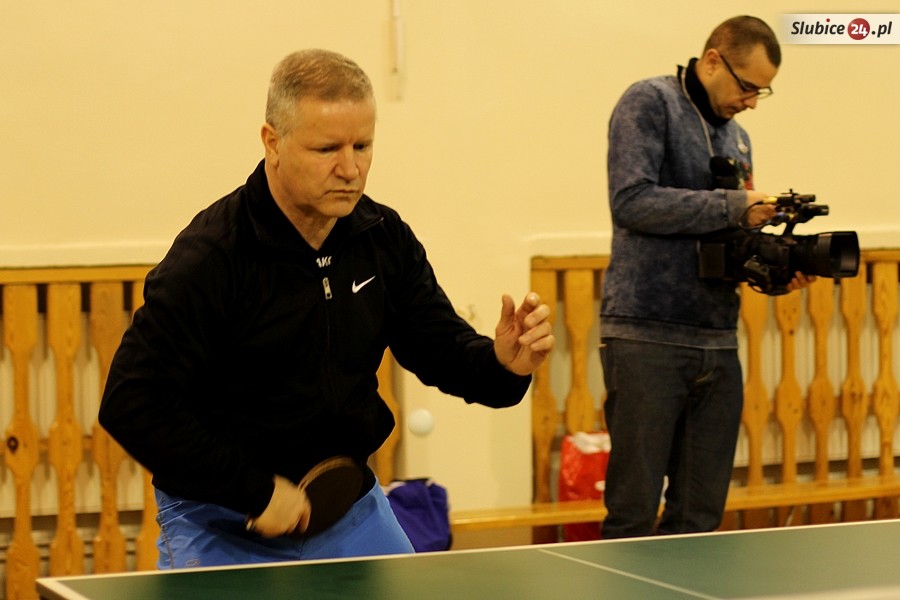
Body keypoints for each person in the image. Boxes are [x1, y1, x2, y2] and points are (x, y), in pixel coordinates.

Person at [98, 49, 554, 567]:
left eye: (363, 146)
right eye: (326, 149)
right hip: (222, 516)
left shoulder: (382, 237)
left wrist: (501, 365)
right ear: (272, 141)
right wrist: (253, 490)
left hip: (348, 511)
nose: (350, 168)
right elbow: (132, 402)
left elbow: (439, 347)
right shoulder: (211, 257)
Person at [599, 16, 813, 539]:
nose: (752, 102)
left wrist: (775, 270)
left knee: (700, 517)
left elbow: (729, 236)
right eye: (747, 86)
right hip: (646, 334)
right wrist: (736, 204)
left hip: (717, 339)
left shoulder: (738, 138)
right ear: (713, 60)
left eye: (762, 91)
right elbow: (632, 201)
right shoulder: (649, 101)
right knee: (633, 511)